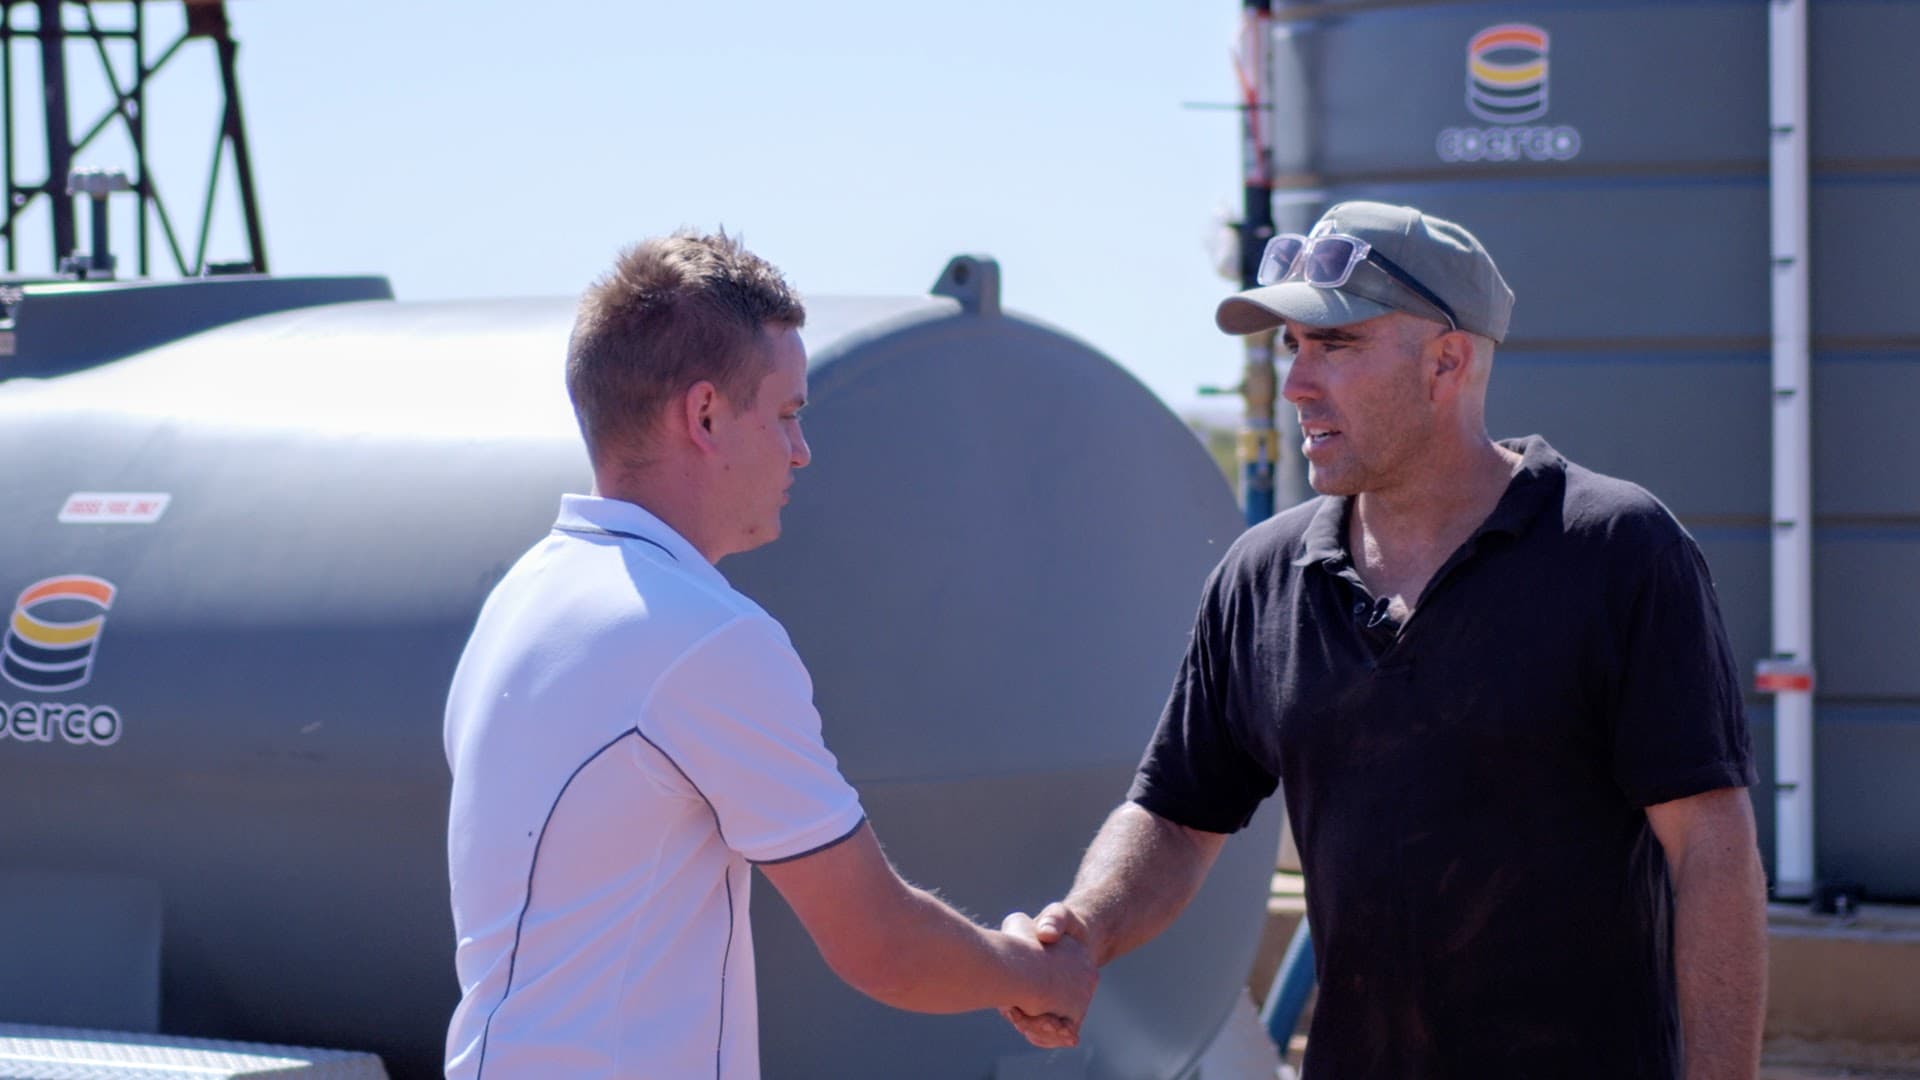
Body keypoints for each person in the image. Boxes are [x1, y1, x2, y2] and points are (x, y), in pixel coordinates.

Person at [1003, 202, 1767, 1078]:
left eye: (1335, 345)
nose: (1296, 383)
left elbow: (1710, 853)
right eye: (1292, 346)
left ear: (1448, 361)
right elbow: (1176, 818)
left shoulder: (1615, 551)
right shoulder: (1263, 576)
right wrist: (1083, 929)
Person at [443, 230, 1096, 1078]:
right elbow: (882, 943)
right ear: (705, 415)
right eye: (787, 414)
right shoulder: (702, 638)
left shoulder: (523, 598)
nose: (801, 449)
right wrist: (1038, 975)